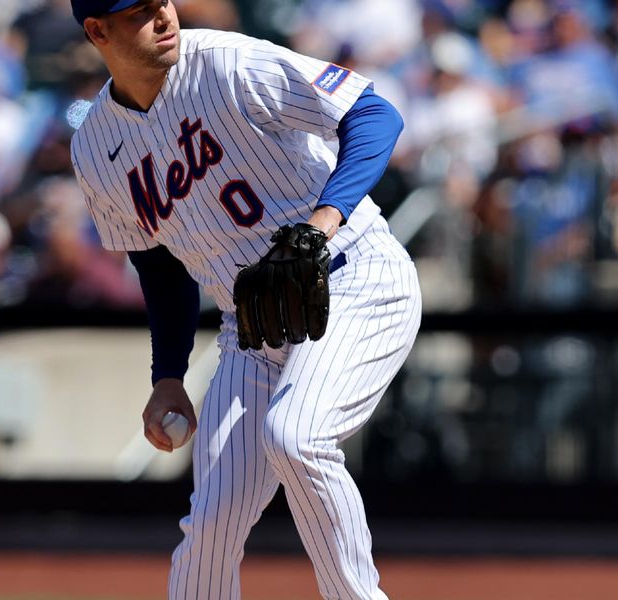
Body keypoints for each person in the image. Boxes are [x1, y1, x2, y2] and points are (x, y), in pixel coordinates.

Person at [68, 1, 421, 598]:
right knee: (212, 521)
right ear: (98, 31)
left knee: (296, 436)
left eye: (163, 0)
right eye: (139, 11)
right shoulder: (95, 146)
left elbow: (372, 113)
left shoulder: (229, 61)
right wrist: (168, 375)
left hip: (356, 278)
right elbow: (157, 262)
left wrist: (321, 222)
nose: (163, 16)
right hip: (253, 324)